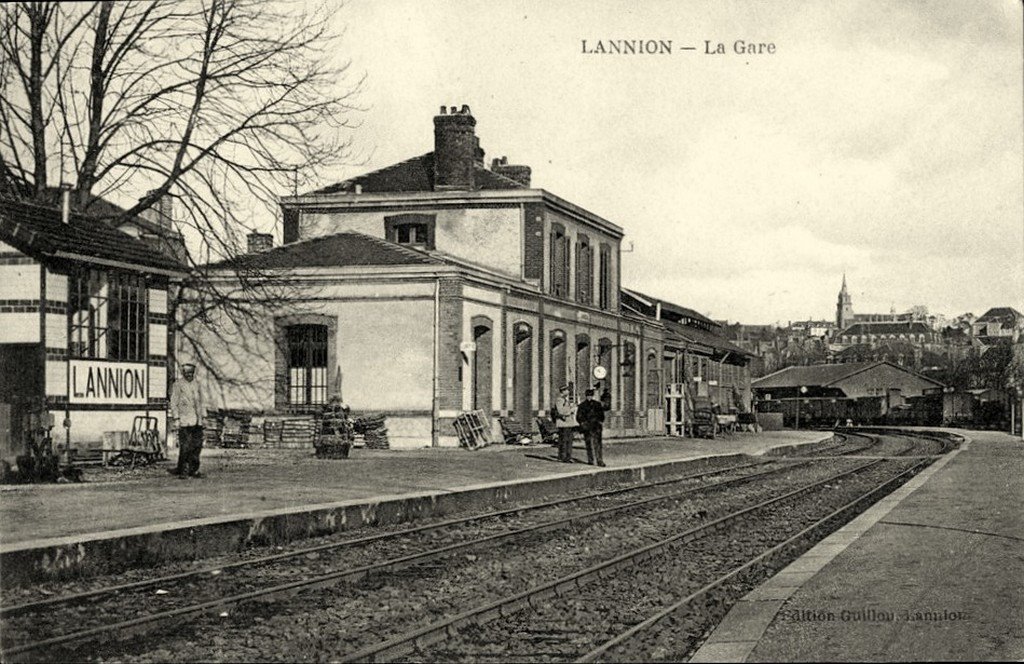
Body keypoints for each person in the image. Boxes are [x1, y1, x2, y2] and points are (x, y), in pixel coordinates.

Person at [168, 363, 206, 478]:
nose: (189, 375)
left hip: (197, 420)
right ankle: (183, 470)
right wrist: (176, 418)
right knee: (185, 447)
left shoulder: (197, 385)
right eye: (187, 373)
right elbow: (174, 403)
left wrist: (203, 418)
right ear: (183, 373)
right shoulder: (178, 385)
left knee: (197, 446)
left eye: (191, 373)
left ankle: (193, 469)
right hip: (184, 420)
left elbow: (201, 402)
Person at [576, 388, 608, 467]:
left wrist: (600, 422)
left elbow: (602, 415)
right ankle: (591, 460)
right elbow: (578, 416)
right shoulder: (582, 405)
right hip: (587, 427)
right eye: (587, 396)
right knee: (589, 444)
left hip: (596, 427)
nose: (589, 397)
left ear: (592, 396)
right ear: (586, 396)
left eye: (590, 396)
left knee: (598, 444)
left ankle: (599, 460)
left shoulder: (597, 404)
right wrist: (582, 423)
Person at [551, 383, 578, 463]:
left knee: (567, 441)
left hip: (567, 423)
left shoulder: (564, 399)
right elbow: (560, 411)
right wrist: (571, 410)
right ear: (563, 391)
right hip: (563, 423)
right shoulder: (560, 400)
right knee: (565, 441)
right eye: (566, 390)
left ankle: (566, 457)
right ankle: (564, 457)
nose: (568, 391)